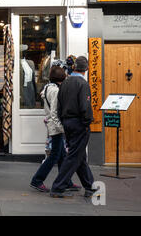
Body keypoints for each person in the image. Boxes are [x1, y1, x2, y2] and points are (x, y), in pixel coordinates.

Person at [50, 56, 98, 198]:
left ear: (74, 67)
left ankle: (90, 186)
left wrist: (63, 120)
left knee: (79, 156)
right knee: (74, 156)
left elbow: (59, 105)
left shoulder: (65, 83)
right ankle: (58, 187)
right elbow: (85, 106)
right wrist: (87, 121)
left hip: (67, 122)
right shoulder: (83, 84)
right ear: (87, 69)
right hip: (78, 124)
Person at [30, 66, 81, 193]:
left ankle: (66, 181)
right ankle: (37, 180)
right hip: (56, 127)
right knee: (54, 156)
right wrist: (61, 128)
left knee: (62, 155)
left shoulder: (48, 87)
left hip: (52, 125)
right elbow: (54, 112)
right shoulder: (56, 91)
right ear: (61, 79)